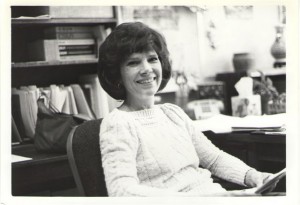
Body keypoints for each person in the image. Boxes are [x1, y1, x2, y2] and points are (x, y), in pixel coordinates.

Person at [97, 22, 273, 197]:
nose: (147, 69)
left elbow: (214, 159)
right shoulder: (118, 123)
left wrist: (253, 176)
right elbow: (121, 191)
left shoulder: (172, 113)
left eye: (152, 59)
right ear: (117, 74)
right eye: (134, 63)